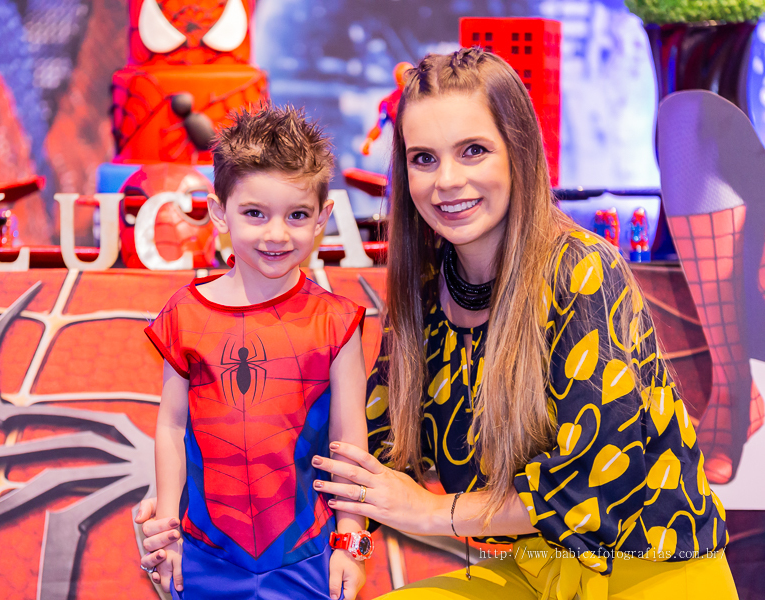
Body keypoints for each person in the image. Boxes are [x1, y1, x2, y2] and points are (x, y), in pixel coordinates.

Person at [139, 49, 737, 599]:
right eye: (424, 158)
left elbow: (590, 488)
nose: (446, 180)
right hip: (532, 575)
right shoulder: (425, 292)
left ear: (520, 150)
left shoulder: (583, 269)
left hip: (650, 572)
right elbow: (369, 454)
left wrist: (430, 512)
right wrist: (183, 503)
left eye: (472, 150)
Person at [141, 105, 371, 600]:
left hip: (308, 555)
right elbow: (171, 425)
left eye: (297, 215)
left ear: (323, 218)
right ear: (219, 211)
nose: (276, 234)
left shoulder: (337, 320)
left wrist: (351, 544)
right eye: (254, 213)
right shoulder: (183, 313)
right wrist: (165, 525)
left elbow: (350, 443)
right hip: (203, 554)